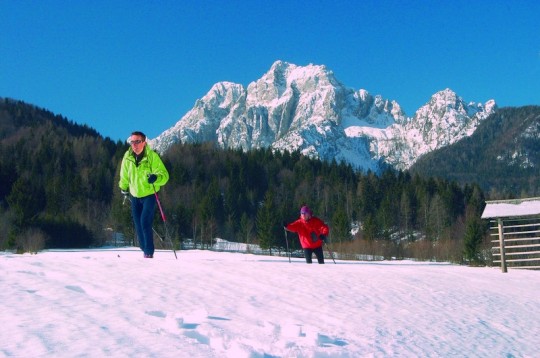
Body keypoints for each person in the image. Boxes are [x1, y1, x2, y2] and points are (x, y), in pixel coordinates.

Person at [119, 131, 169, 258]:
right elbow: (124, 174)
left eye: (137, 141)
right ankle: (143, 247)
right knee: (138, 224)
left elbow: (164, 175)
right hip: (134, 195)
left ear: (144, 142)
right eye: (132, 142)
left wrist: (155, 177)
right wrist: (123, 187)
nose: (134, 145)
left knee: (145, 221)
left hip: (149, 195)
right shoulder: (127, 156)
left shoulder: (152, 156)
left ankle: (148, 252)